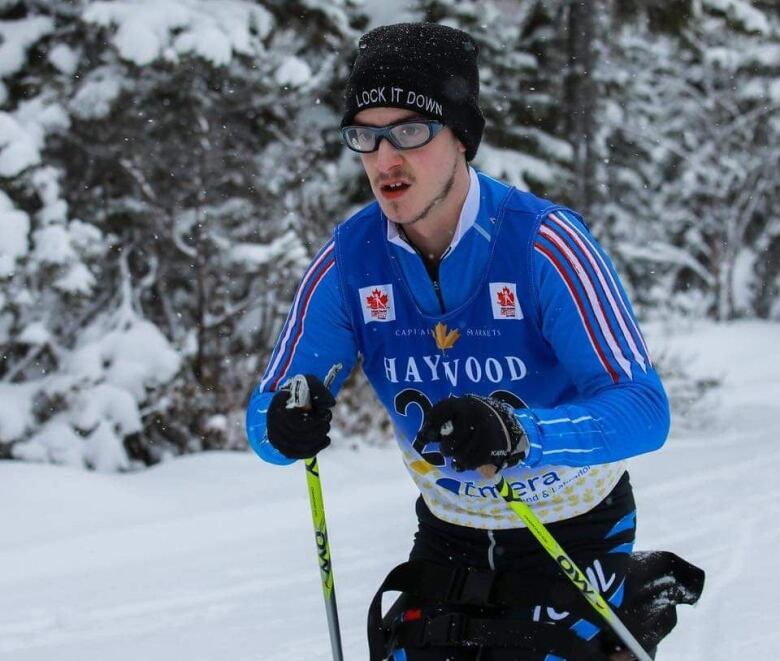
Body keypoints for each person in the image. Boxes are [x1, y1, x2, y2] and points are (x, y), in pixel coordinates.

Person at [246, 22, 702, 661]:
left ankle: (626, 602)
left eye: (408, 130)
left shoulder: (545, 245)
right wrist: (283, 423)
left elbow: (645, 410)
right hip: (451, 532)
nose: (385, 158)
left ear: (460, 136)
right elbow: (269, 418)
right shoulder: (349, 262)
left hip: (574, 525)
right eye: (366, 136)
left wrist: (524, 435)